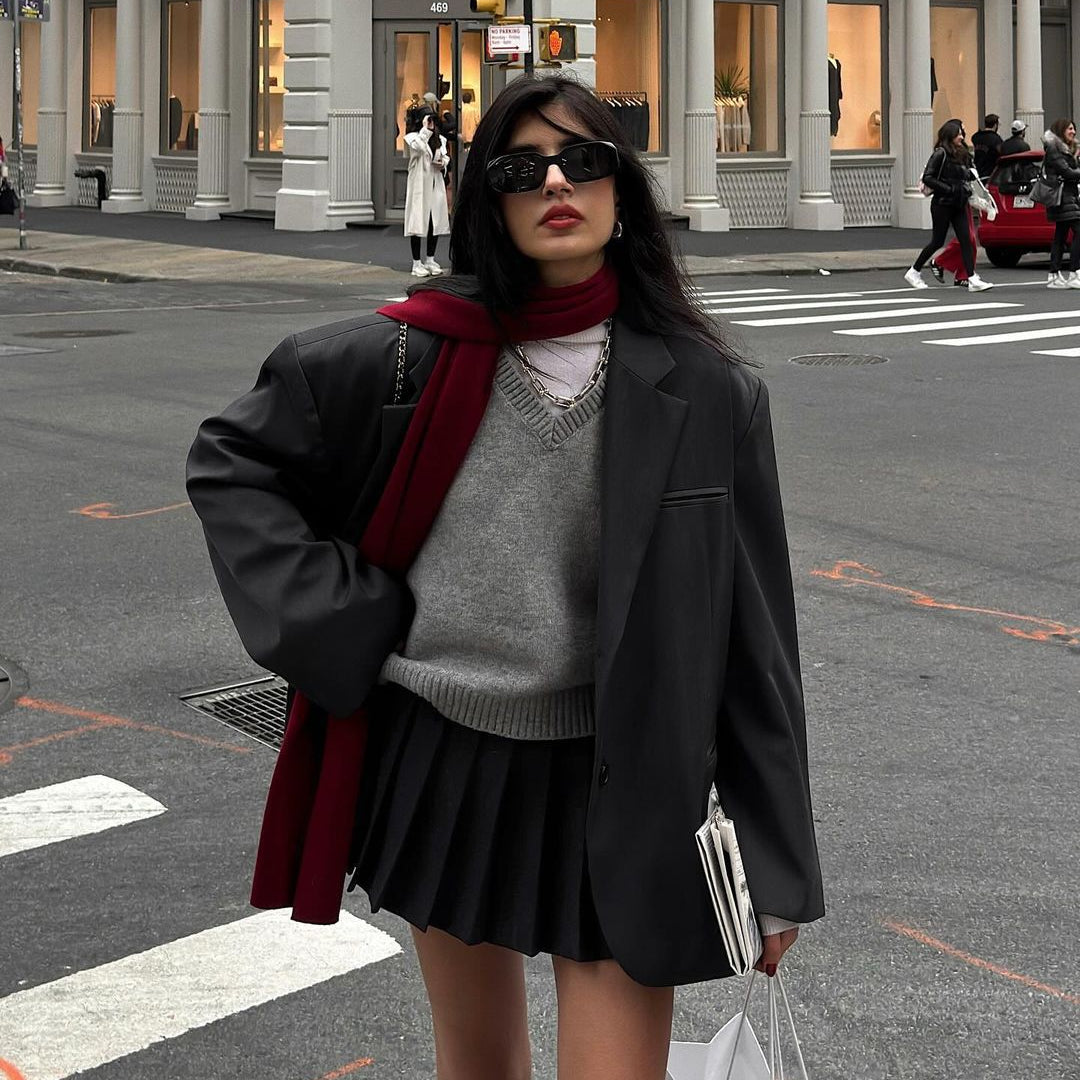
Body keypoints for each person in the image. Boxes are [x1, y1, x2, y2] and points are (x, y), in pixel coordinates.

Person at [186, 73, 824, 1080]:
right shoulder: (411, 357)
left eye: (586, 160)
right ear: (490, 197)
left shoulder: (707, 393)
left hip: (628, 779)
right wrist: (347, 620)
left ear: (623, 192)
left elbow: (756, 643)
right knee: (477, 1066)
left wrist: (776, 868)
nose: (557, 182)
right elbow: (233, 461)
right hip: (449, 765)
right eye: (523, 168)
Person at [906, 119, 992, 291]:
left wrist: (968, 175)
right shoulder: (940, 153)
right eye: (958, 134)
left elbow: (961, 176)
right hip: (942, 203)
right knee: (937, 241)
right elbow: (928, 178)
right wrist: (950, 188)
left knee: (966, 240)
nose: (961, 137)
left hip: (958, 202)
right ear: (950, 136)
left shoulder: (960, 153)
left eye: (961, 133)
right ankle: (914, 271)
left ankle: (972, 278)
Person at [404, 111, 450, 277]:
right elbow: (418, 148)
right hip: (419, 186)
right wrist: (425, 130)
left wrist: (442, 163)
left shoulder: (440, 140)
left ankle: (430, 259)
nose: (431, 123)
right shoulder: (413, 138)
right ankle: (416, 262)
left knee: (434, 222)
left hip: (434, 184)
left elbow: (445, 157)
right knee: (417, 223)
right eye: (428, 120)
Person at [1041, 118, 1080, 289]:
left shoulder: (1067, 149)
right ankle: (1075, 272)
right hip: (1063, 197)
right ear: (1060, 130)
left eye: (1074, 129)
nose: (1073, 132)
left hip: (1067, 196)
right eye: (1070, 129)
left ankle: (1054, 275)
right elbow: (1067, 172)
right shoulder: (1054, 148)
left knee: (1061, 235)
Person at [971, 114, 1003, 178]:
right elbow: (1001, 152)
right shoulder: (996, 139)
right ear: (995, 125)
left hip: (978, 171)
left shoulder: (976, 136)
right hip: (990, 173)